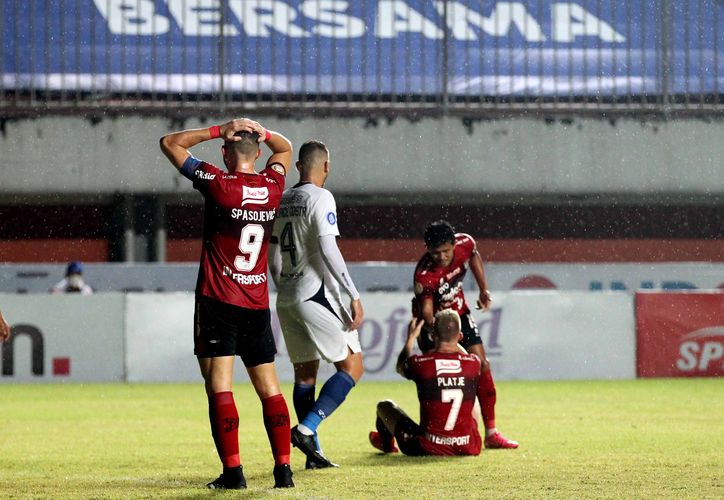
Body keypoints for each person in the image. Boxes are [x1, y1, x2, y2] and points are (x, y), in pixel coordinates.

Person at [159, 118, 295, 489]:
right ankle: (283, 470)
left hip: (220, 300)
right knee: (269, 387)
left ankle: (234, 472)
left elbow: (170, 143)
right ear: (257, 154)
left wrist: (221, 128)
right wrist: (262, 132)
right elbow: (285, 149)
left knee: (219, 386)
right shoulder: (272, 186)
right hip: (256, 303)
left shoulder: (220, 184)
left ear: (224, 154)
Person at [268, 140, 365, 469]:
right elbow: (329, 249)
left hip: (286, 298)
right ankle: (308, 429)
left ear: (298, 166)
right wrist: (352, 293)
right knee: (353, 367)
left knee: (304, 376)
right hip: (315, 293)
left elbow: (273, 258)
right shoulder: (322, 197)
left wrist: (285, 288)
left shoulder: (283, 201)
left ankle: (314, 454)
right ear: (327, 166)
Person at [412, 220, 518, 449]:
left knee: (483, 365)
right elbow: (428, 313)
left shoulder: (465, 243)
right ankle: (433, 432)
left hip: (460, 314)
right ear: (428, 250)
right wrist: (445, 338)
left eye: (446, 251)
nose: (442, 257)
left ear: (453, 244)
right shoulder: (424, 275)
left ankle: (491, 433)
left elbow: (474, 255)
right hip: (435, 326)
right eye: (436, 253)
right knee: (437, 380)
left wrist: (483, 289)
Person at [368, 310, 482, 456]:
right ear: (460, 336)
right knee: (471, 389)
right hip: (467, 447)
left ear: (433, 335)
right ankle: (463, 436)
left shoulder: (421, 364)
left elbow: (400, 366)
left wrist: (410, 339)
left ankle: (387, 445)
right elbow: (460, 354)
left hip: (428, 447)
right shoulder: (473, 363)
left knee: (384, 406)